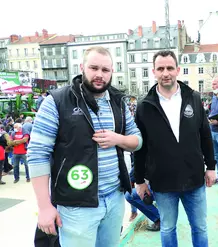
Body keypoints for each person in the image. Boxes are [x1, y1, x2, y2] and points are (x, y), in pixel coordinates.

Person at [27, 46, 142, 247]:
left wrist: (118, 139)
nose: (99, 75)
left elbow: (137, 141)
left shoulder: (118, 102)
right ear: (82, 67)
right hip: (76, 206)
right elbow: (37, 155)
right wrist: (44, 207)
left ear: (112, 72)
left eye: (105, 70)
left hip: (114, 198)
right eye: (94, 68)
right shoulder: (57, 101)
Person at [134, 50, 216, 247]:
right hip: (162, 181)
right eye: (160, 68)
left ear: (178, 70)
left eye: (170, 68)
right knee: (168, 228)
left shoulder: (193, 98)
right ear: (154, 72)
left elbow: (205, 135)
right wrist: (139, 180)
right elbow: (139, 147)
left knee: (199, 227)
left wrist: (211, 166)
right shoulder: (144, 106)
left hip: (193, 178)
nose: (165, 73)